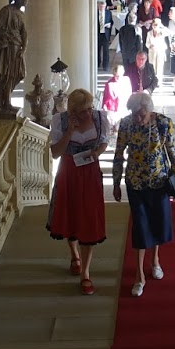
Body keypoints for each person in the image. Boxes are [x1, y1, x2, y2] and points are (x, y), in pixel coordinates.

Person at [113, 91, 175, 297]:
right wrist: (116, 182)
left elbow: (172, 151)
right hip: (135, 183)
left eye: (142, 114)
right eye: (134, 113)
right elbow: (118, 155)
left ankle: (155, 261)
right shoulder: (126, 124)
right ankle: (138, 275)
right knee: (141, 227)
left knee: (158, 223)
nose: (138, 118)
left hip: (159, 182)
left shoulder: (162, 123)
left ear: (150, 110)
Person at [47, 88, 110, 294]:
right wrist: (70, 132)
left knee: (89, 218)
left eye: (90, 108)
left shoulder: (100, 118)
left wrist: (97, 153)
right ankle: (74, 253)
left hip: (90, 172)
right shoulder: (60, 121)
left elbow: (104, 142)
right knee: (72, 215)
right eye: (84, 111)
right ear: (73, 111)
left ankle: (86, 272)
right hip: (69, 172)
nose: (88, 114)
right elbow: (56, 153)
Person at [103, 63, 130, 127]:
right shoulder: (109, 83)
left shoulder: (126, 80)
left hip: (123, 108)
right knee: (113, 128)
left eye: (119, 76)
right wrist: (104, 108)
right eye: (116, 75)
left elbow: (129, 93)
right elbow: (106, 97)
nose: (118, 77)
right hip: (113, 109)